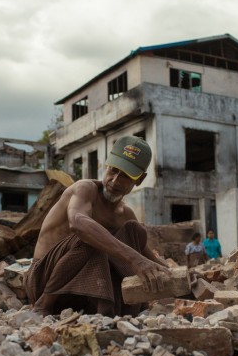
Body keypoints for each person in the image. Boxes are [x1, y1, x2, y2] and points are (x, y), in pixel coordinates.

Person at [24, 136, 172, 317]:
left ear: (140, 180)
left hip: (81, 290)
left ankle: (108, 312)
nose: (115, 180)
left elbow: (147, 257)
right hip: (43, 280)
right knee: (90, 235)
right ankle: (43, 306)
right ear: (106, 165)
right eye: (113, 170)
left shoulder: (125, 214)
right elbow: (78, 223)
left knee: (134, 230)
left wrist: (182, 277)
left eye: (125, 176)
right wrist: (134, 259)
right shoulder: (85, 189)